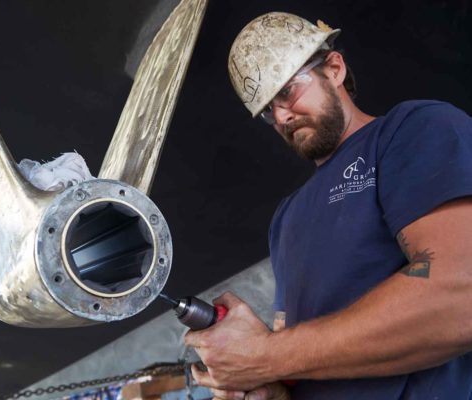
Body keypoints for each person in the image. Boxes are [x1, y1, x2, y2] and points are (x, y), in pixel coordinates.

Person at [184, 11, 472, 400]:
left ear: (334, 68)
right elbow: (294, 359)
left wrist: (266, 356)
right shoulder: (286, 219)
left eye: (287, 91)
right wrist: (267, 386)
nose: (282, 115)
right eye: (268, 110)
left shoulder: (414, 129)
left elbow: (460, 293)